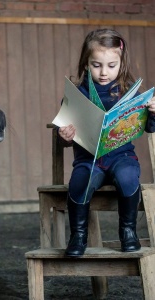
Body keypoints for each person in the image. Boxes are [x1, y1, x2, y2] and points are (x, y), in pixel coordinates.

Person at [58, 28, 155, 257]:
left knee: (128, 177)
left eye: (111, 66)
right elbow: (65, 134)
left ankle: (128, 232)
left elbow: (150, 128)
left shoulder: (130, 92)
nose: (103, 72)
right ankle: (78, 236)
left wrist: (152, 111)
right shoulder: (77, 94)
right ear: (86, 64)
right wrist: (65, 135)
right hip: (88, 159)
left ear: (121, 64)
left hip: (122, 157)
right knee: (79, 182)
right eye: (96, 65)